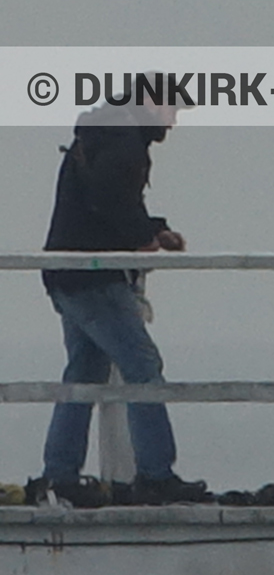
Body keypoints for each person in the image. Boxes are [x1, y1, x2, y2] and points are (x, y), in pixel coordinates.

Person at [38, 95, 209, 506]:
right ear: (152, 103)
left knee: (84, 371)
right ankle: (154, 475)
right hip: (94, 278)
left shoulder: (104, 134)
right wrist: (143, 237)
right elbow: (110, 201)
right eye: (172, 110)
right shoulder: (123, 141)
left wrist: (152, 229)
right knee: (142, 367)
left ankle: (59, 476)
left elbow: (105, 202)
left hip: (67, 271)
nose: (173, 122)